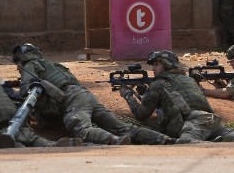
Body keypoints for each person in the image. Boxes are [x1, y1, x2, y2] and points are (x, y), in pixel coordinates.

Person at [12, 43, 173, 145]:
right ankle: (164, 139)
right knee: (123, 127)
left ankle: (114, 140)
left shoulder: (30, 66)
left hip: (72, 99)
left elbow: (28, 92)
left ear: (21, 60)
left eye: (18, 65)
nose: (18, 69)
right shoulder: (54, 65)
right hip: (85, 95)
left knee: (80, 128)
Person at [120, 50, 234, 143]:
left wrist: (127, 94)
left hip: (193, 123)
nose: (153, 68)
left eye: (156, 64)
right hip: (212, 120)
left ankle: (210, 144)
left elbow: (141, 114)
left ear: (166, 65)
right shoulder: (188, 80)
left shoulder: (158, 84)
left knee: (186, 143)